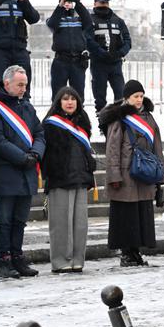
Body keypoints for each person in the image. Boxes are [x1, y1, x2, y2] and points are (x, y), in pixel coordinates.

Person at [0, 65, 45, 279]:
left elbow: (39, 133)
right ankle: (4, 260)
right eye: (20, 85)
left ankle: (17, 257)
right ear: (7, 83)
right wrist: (22, 158)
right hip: (6, 173)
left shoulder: (27, 107)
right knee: (4, 220)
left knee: (20, 219)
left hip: (27, 172)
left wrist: (35, 154)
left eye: (25, 85)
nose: (23, 89)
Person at [99, 80, 162, 267]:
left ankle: (136, 252)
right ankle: (127, 253)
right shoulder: (119, 118)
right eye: (136, 96)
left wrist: (159, 172)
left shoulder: (149, 117)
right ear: (127, 98)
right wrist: (114, 176)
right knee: (126, 216)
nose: (139, 99)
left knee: (141, 216)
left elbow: (157, 145)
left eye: (141, 96)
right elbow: (113, 149)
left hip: (145, 172)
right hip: (126, 174)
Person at [41, 86, 96, 273]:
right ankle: (60, 261)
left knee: (80, 224)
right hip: (60, 179)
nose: (70, 102)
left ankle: (78, 259)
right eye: (65, 99)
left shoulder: (83, 122)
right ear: (59, 102)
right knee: (61, 224)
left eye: (73, 99)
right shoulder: (50, 124)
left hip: (80, 178)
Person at [86, 0, 132, 112]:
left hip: (116, 63)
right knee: (100, 97)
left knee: (120, 95)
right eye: (101, 2)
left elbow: (127, 40)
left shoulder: (118, 20)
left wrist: (120, 53)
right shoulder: (90, 20)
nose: (104, 5)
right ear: (95, 4)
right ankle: (102, 120)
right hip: (98, 64)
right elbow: (88, 40)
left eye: (106, 2)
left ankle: (119, 119)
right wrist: (100, 52)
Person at [46, 0, 92, 99]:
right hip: (61, 61)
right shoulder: (55, 19)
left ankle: (78, 111)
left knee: (78, 95)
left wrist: (78, 2)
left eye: (69, 2)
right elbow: (51, 24)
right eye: (64, 2)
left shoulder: (79, 20)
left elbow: (88, 21)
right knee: (57, 94)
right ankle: (57, 110)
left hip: (78, 62)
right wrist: (59, 7)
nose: (67, 4)